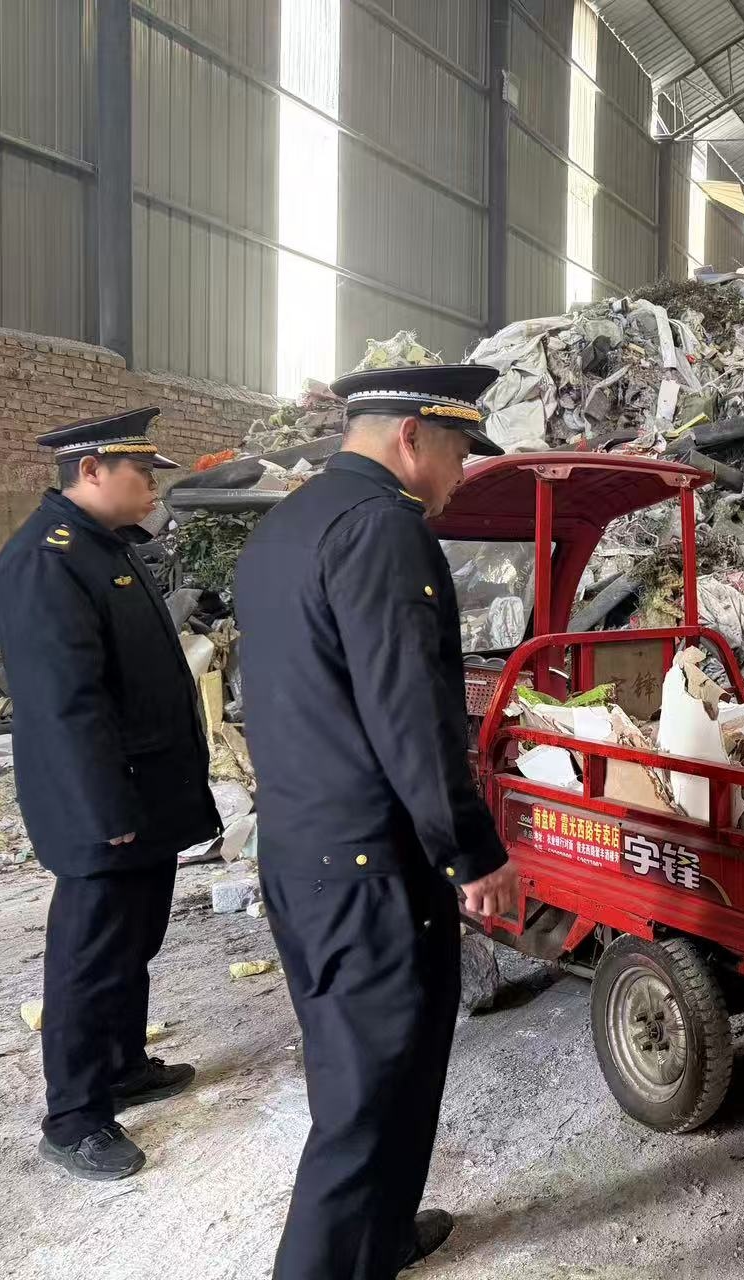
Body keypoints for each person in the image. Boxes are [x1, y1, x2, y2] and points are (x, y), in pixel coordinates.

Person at [235, 364, 520, 1280]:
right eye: (459, 453)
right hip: (368, 866)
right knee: (363, 1103)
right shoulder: (384, 530)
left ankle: (381, 1239)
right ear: (410, 437)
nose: (462, 476)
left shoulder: (288, 523)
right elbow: (411, 718)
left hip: (302, 844)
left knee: (379, 1071)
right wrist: (473, 851)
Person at [0, 409, 219, 1180]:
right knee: (88, 956)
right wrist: (102, 811)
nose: (152, 486)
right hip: (103, 804)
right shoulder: (46, 559)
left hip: (140, 793)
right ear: (90, 471)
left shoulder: (105, 547)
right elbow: (64, 703)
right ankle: (74, 1117)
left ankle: (122, 1065)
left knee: (133, 939)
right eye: (141, 472)